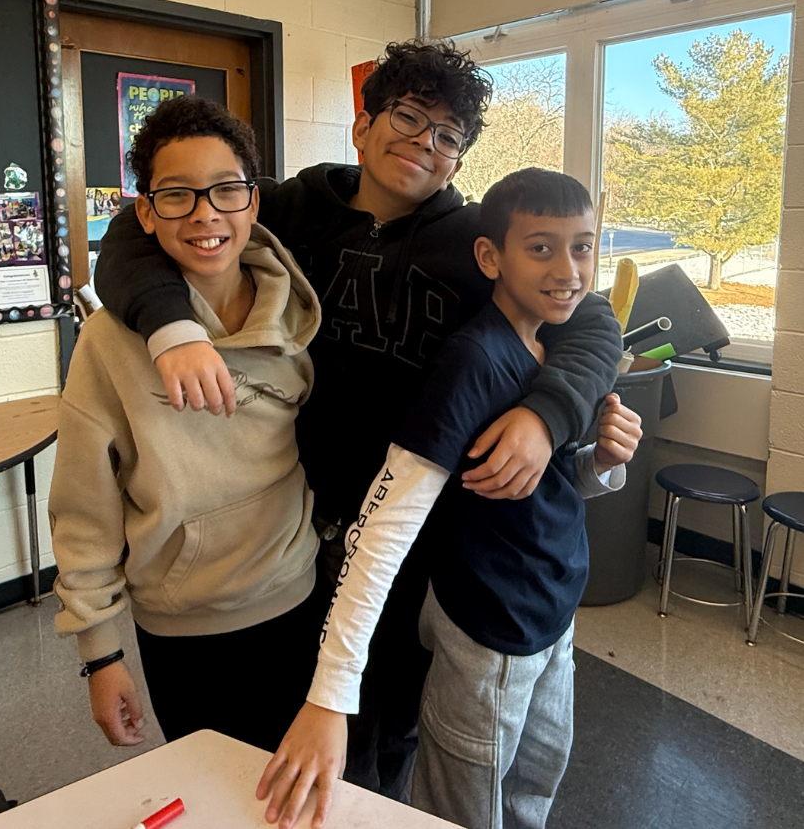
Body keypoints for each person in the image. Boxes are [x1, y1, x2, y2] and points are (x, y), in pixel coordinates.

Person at [94, 41, 623, 799]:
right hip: (293, 529)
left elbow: (590, 316)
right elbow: (132, 232)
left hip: (409, 536)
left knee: (392, 725)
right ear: (363, 125)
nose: (424, 142)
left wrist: (550, 414)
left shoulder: (473, 241)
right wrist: (171, 327)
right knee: (298, 726)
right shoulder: (286, 209)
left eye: (448, 135)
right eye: (407, 117)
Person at [261, 169, 643, 829]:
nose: (568, 270)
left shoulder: (550, 345)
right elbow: (383, 526)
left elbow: (526, 488)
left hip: (552, 619)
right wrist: (331, 693)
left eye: (582, 247)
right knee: (463, 810)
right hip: (488, 624)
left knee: (530, 791)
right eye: (541, 248)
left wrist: (601, 464)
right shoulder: (473, 360)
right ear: (490, 257)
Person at [48, 96, 326, 752]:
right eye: (177, 195)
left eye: (226, 190)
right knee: (211, 792)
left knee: (304, 791)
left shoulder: (303, 316)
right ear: (145, 213)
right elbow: (84, 506)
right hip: (182, 628)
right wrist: (100, 653)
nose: (205, 213)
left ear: (253, 202)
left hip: (298, 600)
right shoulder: (109, 342)